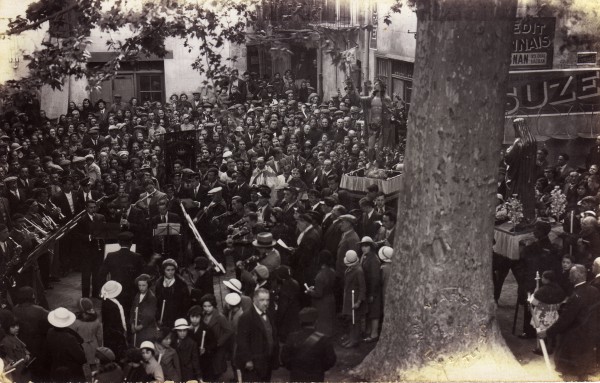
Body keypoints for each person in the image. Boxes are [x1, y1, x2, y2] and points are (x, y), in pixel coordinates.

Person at [539, 264, 600, 380]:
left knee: (570, 374)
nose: (568, 277)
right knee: (583, 373)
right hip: (589, 339)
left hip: (573, 343)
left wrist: (547, 333)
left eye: (571, 274)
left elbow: (564, 321)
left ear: (577, 276)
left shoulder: (576, 296)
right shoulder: (594, 291)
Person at [281, 307, 337, 382]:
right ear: (316, 321)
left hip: (296, 376)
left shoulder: (292, 337)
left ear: (300, 321)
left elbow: (284, 358)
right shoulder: (324, 339)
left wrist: (294, 368)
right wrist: (320, 369)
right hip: (317, 377)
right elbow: (331, 360)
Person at [236, 288, 279, 382]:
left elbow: (273, 335)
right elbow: (242, 341)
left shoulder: (269, 313)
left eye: (267, 300)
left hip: (268, 360)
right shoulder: (246, 317)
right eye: (262, 300)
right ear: (254, 300)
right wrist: (248, 360)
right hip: (254, 363)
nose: (265, 303)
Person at [44, 307, 87, 382]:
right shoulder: (69, 338)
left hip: (56, 369)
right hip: (70, 372)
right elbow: (81, 358)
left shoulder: (50, 332)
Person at [198, 294, 233, 381]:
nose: (207, 308)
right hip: (207, 345)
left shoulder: (220, 317)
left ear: (213, 305)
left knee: (217, 367)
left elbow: (229, 331)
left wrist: (219, 342)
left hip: (217, 346)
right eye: (204, 306)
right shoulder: (203, 315)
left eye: (209, 306)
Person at [70, 297, 103, 379]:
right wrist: (99, 346)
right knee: (93, 365)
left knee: (79, 364)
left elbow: (71, 334)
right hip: (93, 345)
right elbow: (99, 336)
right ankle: (94, 379)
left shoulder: (76, 322)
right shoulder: (96, 320)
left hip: (80, 346)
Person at [306, 250, 336, 336]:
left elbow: (319, 294)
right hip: (331, 298)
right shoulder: (332, 271)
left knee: (322, 324)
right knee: (330, 321)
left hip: (322, 303)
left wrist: (310, 291)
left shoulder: (320, 276)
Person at [155, 258, 190, 328]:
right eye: (168, 270)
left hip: (177, 316)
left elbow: (186, 303)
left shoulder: (181, 283)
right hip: (163, 317)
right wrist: (158, 318)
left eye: (172, 269)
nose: (170, 272)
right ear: (163, 270)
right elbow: (157, 302)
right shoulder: (159, 283)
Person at [359, 236, 382, 342]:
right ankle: (369, 331)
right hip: (368, 289)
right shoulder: (365, 256)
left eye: (366, 246)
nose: (364, 248)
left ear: (371, 247)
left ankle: (374, 334)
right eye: (362, 246)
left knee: (374, 312)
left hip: (374, 290)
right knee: (369, 311)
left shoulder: (374, 260)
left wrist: (372, 293)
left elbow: (375, 278)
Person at [341, 250, 366, 348]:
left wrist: (359, 302)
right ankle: (351, 338)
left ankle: (355, 340)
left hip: (354, 299)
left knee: (355, 321)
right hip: (348, 298)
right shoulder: (350, 269)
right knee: (351, 320)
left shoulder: (359, 271)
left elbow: (362, 288)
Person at [100, 280, 127, 361]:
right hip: (114, 332)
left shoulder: (106, 300)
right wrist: (122, 331)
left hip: (108, 329)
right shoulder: (112, 306)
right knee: (115, 351)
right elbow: (115, 322)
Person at [130, 273, 159, 347]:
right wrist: (132, 324)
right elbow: (133, 309)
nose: (141, 288)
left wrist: (140, 326)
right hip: (137, 326)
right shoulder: (137, 295)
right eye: (139, 285)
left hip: (147, 329)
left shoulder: (151, 298)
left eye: (143, 285)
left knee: (144, 346)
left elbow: (150, 315)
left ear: (148, 285)